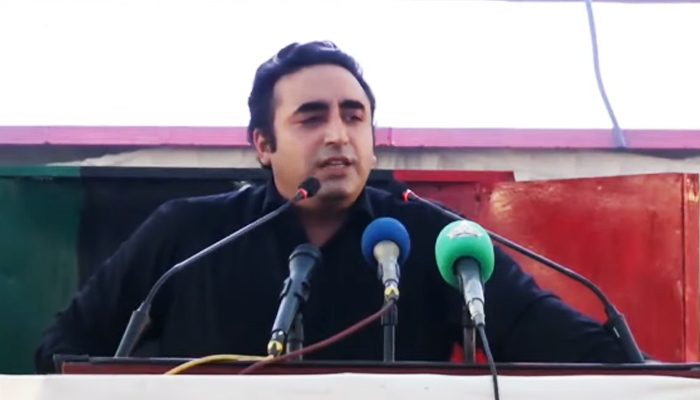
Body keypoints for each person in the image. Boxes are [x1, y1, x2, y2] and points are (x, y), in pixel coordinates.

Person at [34, 41, 632, 373]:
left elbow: (567, 346)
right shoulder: (188, 235)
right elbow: (61, 352)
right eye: (311, 118)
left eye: (353, 116)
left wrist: (657, 380)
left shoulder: (436, 240)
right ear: (263, 144)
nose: (338, 135)